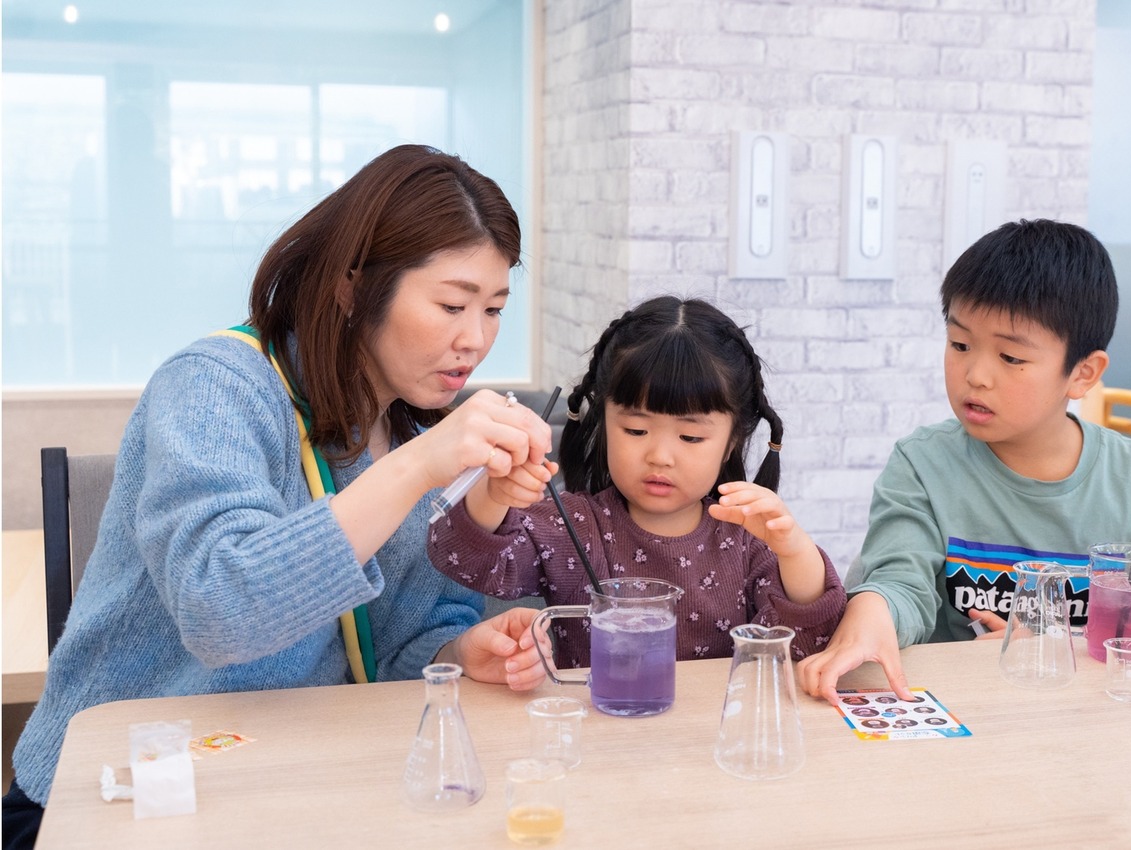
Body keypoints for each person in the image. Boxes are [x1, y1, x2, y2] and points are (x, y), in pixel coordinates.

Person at [3, 145, 554, 847]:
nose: (474, 340)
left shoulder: (408, 433)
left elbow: (388, 649)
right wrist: (417, 467)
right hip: (111, 801)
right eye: (451, 304)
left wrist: (460, 646)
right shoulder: (215, 386)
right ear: (353, 288)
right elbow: (220, 610)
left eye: (495, 308)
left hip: (284, 791)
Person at [796, 219, 1131, 704]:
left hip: (1093, 725)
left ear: (1082, 374)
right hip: (961, 713)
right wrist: (866, 619)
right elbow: (897, 581)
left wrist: (1060, 648)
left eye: (1011, 358)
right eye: (960, 345)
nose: (976, 375)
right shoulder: (922, 465)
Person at [427, 296, 847, 666]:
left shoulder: (746, 541)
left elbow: (807, 644)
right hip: (600, 740)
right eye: (635, 431)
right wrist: (493, 494)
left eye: (690, 437)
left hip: (711, 743)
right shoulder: (571, 526)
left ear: (733, 440)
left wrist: (794, 550)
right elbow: (467, 561)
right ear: (603, 420)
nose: (660, 456)